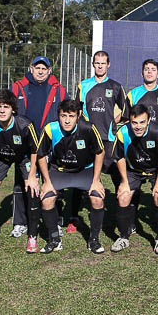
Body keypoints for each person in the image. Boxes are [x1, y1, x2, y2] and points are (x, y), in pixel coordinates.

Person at [36, 99, 106, 254]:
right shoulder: (50, 129)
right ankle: (54, 239)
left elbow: (100, 152)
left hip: (85, 171)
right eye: (63, 115)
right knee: (47, 199)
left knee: (97, 198)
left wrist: (96, 181)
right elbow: (41, 155)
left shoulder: (88, 128)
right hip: (59, 171)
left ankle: (93, 240)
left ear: (78, 115)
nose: (67, 120)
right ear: (58, 115)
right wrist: (46, 181)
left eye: (71, 116)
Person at [8, 55, 68, 238]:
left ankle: (55, 222)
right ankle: (20, 223)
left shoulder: (59, 90)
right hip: (24, 145)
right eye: (37, 67)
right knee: (22, 183)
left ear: (49, 70)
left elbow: (66, 115)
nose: (40, 71)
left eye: (44, 68)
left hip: (48, 143)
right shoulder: (17, 87)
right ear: (31, 68)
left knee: (52, 182)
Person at [0, 90, 41, 253]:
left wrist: (32, 176)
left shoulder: (25, 124)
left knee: (32, 189)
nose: (2, 110)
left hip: (25, 157)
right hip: (1, 157)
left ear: (13, 109)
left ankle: (32, 238)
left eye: (6, 106)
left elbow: (35, 150)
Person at [69, 50, 126, 234]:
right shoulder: (84, 85)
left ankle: (122, 216)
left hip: (108, 140)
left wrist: (113, 122)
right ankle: (73, 217)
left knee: (118, 177)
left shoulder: (116, 86)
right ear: (93, 64)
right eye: (97, 63)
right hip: (86, 140)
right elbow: (76, 110)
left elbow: (125, 110)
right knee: (80, 178)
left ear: (108, 65)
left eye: (103, 63)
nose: (100, 66)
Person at [123, 59, 158, 231]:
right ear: (142, 73)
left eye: (153, 69)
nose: (149, 72)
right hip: (136, 148)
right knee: (134, 187)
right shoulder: (133, 94)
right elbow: (126, 120)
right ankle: (131, 222)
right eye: (146, 69)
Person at [112, 104, 158, 254]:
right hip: (133, 170)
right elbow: (119, 158)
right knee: (123, 197)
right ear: (129, 122)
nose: (138, 127)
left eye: (142, 122)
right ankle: (124, 237)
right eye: (134, 122)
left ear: (148, 121)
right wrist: (124, 182)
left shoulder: (157, 132)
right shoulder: (122, 133)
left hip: (155, 170)